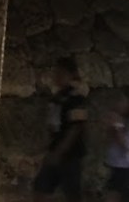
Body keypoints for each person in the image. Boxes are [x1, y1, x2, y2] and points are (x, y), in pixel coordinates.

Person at [33, 56, 87, 202]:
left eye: (61, 73)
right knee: (41, 188)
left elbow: (76, 127)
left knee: (71, 193)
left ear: (70, 75)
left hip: (70, 155)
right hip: (54, 151)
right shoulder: (57, 98)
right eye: (56, 73)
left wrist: (59, 151)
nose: (57, 76)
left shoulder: (76, 98)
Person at [103, 86, 129, 202]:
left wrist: (117, 126)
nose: (117, 104)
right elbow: (108, 141)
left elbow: (126, 145)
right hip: (117, 168)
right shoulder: (121, 119)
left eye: (121, 100)